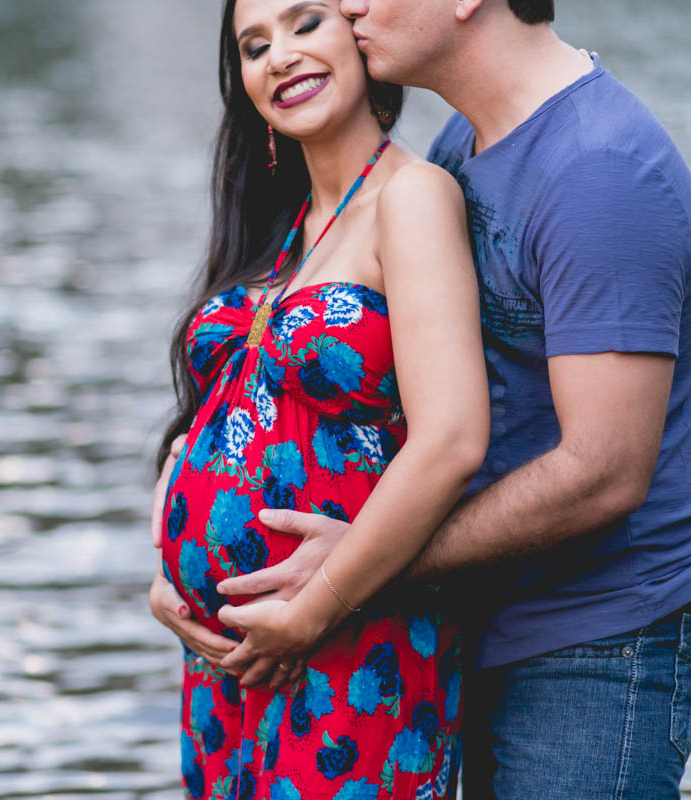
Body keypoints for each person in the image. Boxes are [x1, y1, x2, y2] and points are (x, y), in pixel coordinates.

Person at [153, 0, 691, 798]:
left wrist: (349, 574)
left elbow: (603, 470)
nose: (351, 5)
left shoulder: (600, 170)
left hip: (595, 642)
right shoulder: (465, 145)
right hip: (468, 615)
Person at [149, 0, 490, 796]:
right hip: (228, 664)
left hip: (349, 638)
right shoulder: (282, 226)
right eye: (254, 46)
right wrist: (166, 567)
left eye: (307, 24)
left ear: (359, 34)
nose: (280, 57)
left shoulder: (412, 197)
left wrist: (314, 609)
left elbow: (452, 439)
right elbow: (209, 422)